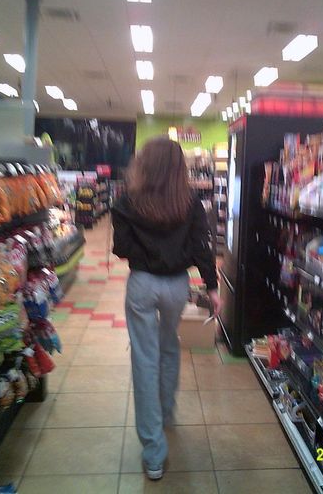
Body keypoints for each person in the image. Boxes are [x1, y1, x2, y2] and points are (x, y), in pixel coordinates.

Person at [111, 137, 220, 481]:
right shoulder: (190, 203)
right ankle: (167, 411)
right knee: (170, 345)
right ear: (178, 168)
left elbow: (121, 248)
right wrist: (212, 287)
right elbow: (203, 247)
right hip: (177, 286)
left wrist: (147, 250)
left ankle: (154, 452)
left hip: (142, 284)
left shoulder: (127, 201)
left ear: (144, 164)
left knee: (145, 358)